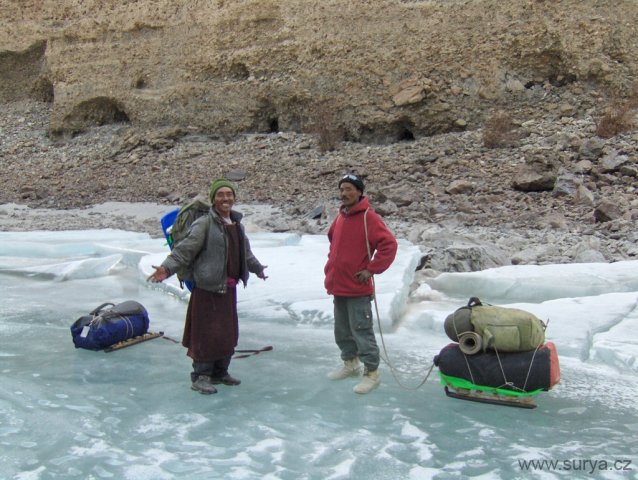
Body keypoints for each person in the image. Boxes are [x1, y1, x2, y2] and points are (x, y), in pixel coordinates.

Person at [147, 178, 267, 395]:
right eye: (220, 194)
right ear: (213, 199)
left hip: (228, 289)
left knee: (226, 335)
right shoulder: (204, 224)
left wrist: (257, 268)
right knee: (206, 335)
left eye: (229, 194)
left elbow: (245, 253)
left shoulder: (236, 225)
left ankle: (220, 372)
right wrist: (167, 268)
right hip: (207, 290)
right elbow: (184, 251)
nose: (225, 198)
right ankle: (200, 376)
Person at [324, 174, 398, 394]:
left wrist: (371, 269)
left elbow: (389, 245)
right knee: (342, 330)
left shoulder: (369, 218)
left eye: (349, 189)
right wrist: (332, 266)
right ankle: (351, 364)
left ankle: (372, 373)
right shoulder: (339, 217)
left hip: (357, 287)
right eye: (341, 189)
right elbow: (333, 241)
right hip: (339, 285)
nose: (344, 193)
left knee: (361, 330)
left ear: (359, 192)